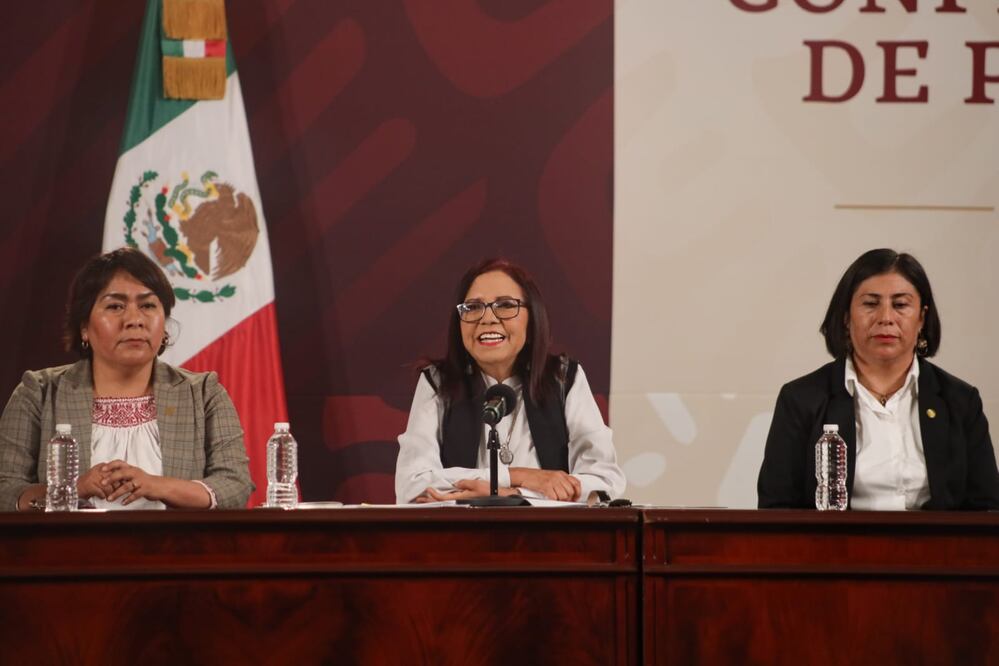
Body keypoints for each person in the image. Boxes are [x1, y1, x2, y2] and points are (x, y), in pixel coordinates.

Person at [0, 247, 253, 511]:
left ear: (164, 324)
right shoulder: (38, 393)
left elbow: (235, 485)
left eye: (147, 305)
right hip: (68, 551)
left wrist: (157, 486)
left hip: (178, 550)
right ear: (84, 326)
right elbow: (5, 490)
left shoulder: (203, 393)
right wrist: (71, 489)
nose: (134, 320)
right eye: (115, 306)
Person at [758, 249, 999, 510]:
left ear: (922, 317)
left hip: (937, 550)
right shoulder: (802, 399)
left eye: (900, 305)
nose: (886, 318)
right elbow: (777, 508)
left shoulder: (960, 401)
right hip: (836, 549)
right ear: (846, 317)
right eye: (871, 304)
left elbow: (986, 509)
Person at [395, 258, 626, 504]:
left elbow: (604, 480)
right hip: (461, 536)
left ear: (532, 316)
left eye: (505, 305)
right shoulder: (438, 383)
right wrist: (520, 476)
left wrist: (513, 496)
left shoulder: (562, 379)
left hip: (550, 538)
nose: (487, 319)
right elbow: (411, 483)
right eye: (473, 307)